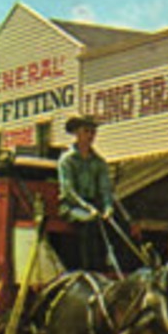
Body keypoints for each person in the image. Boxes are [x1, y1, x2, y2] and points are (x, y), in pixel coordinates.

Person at [58, 114, 121, 273]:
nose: (91, 135)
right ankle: (88, 270)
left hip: (95, 204)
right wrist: (88, 207)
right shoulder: (67, 160)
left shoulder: (99, 162)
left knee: (120, 223)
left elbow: (106, 189)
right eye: (87, 131)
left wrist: (108, 208)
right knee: (89, 221)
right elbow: (68, 191)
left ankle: (115, 266)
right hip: (72, 206)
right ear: (77, 133)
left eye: (93, 132)